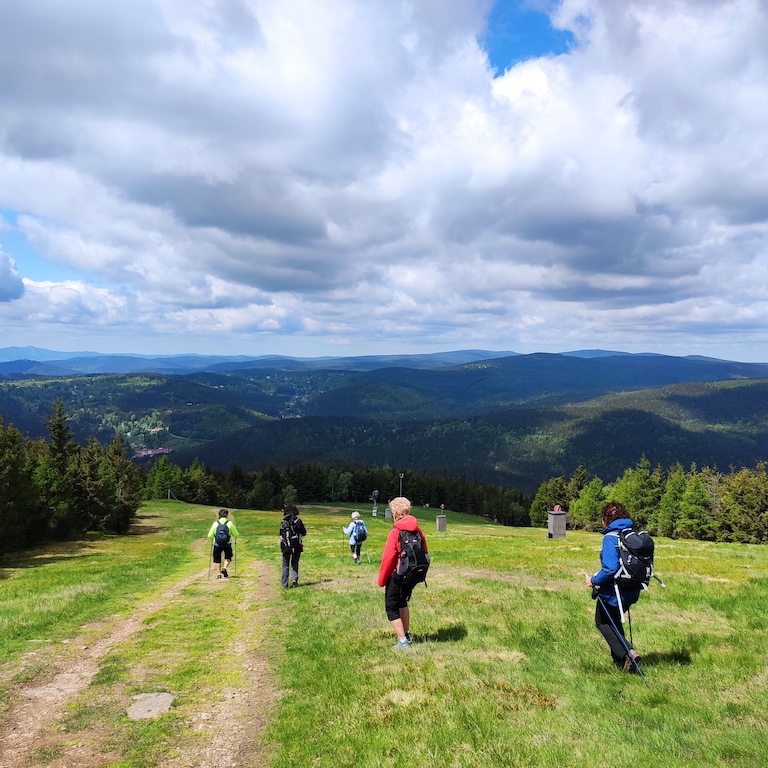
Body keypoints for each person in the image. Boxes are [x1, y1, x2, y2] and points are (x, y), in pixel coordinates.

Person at [585, 501, 642, 672]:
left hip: (613, 592)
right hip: (632, 589)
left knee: (602, 622)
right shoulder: (631, 534)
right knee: (614, 622)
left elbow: (610, 568)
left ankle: (628, 653)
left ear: (606, 519)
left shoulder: (611, 537)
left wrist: (594, 580)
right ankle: (621, 662)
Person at [377, 496, 427, 651]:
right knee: (402, 602)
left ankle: (402, 641)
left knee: (391, 607)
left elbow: (388, 558)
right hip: (412, 574)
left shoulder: (396, 532)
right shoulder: (418, 530)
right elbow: (424, 551)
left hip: (397, 575)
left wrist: (381, 580)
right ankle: (407, 633)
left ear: (394, 514)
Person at [280, 504, 307, 588]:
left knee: (285, 565)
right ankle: (294, 579)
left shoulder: (283, 521)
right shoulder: (298, 521)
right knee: (295, 563)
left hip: (285, 546)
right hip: (296, 546)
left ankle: (284, 584)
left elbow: (281, 534)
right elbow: (304, 533)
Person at [207, 508, 239, 579]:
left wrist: (214, 537)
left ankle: (218, 574)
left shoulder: (215, 523)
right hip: (227, 544)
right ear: (226, 515)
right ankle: (224, 568)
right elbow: (236, 534)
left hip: (217, 544)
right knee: (228, 557)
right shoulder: (230, 523)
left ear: (219, 515)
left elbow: (210, 535)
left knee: (217, 559)